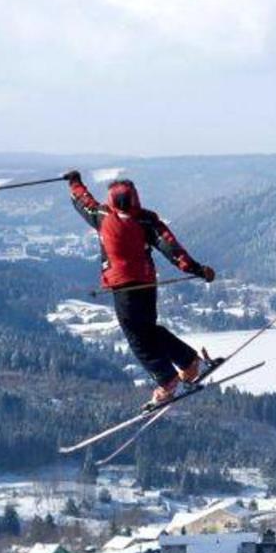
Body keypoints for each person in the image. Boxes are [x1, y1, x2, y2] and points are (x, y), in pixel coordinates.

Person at [64, 170, 216, 405]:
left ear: (111, 200)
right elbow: (172, 249)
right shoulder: (147, 220)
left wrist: (74, 181)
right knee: (149, 330)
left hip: (123, 288)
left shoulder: (103, 216)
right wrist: (196, 269)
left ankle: (169, 382)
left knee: (138, 339)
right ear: (136, 198)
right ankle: (190, 362)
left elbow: (83, 202)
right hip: (146, 284)